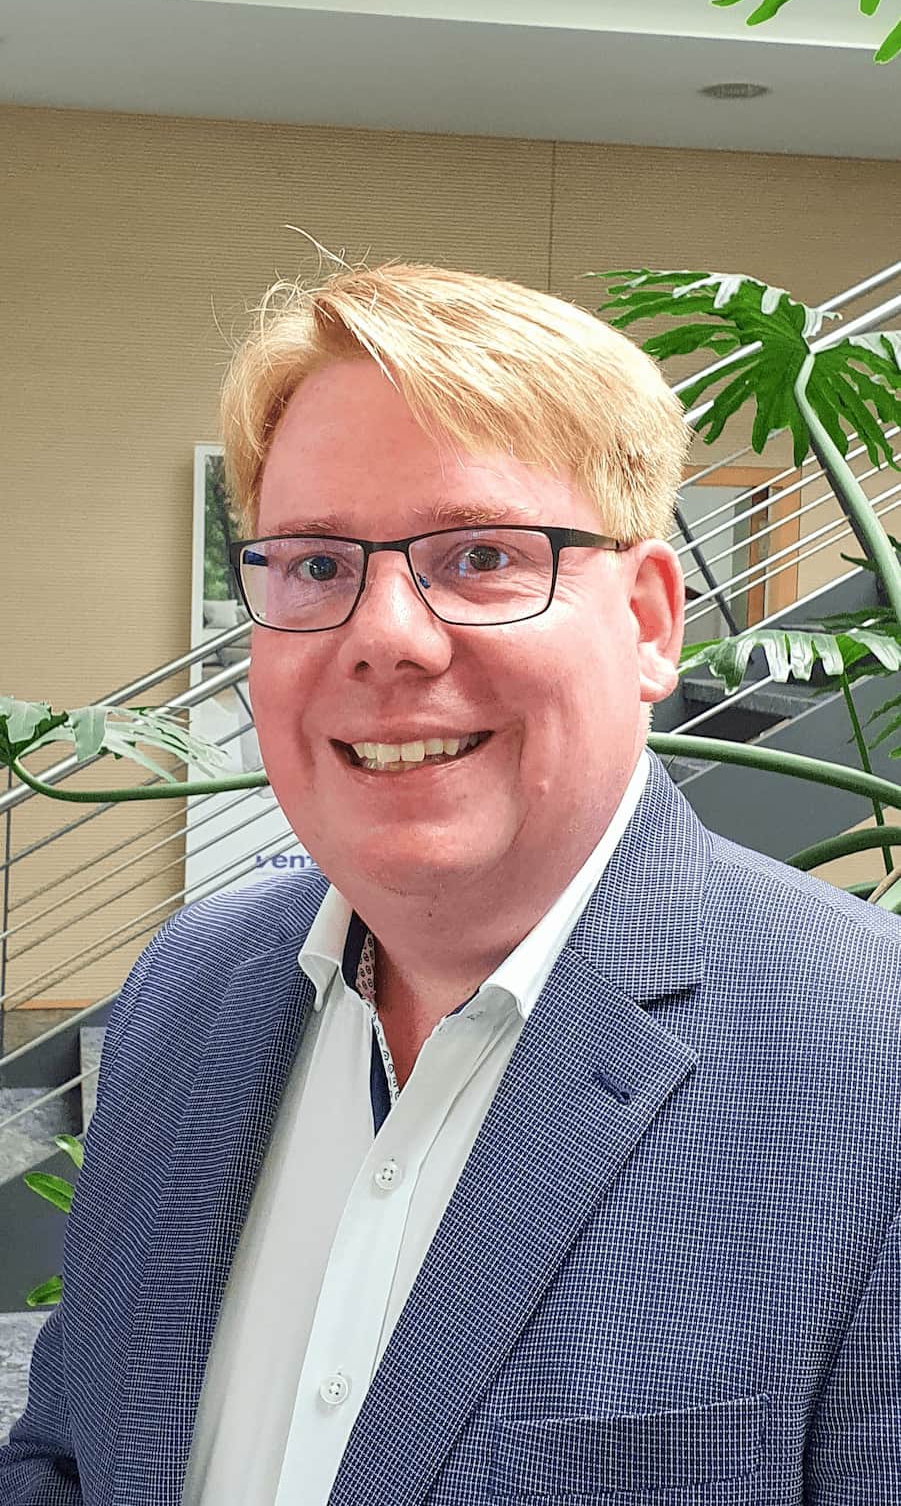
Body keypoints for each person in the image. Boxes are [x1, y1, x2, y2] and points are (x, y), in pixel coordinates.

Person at [2, 261, 900, 1506]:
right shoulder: (186, 991)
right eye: (317, 565)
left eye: (480, 554)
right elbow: (69, 1457)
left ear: (649, 622)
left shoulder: (871, 1061)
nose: (383, 635)